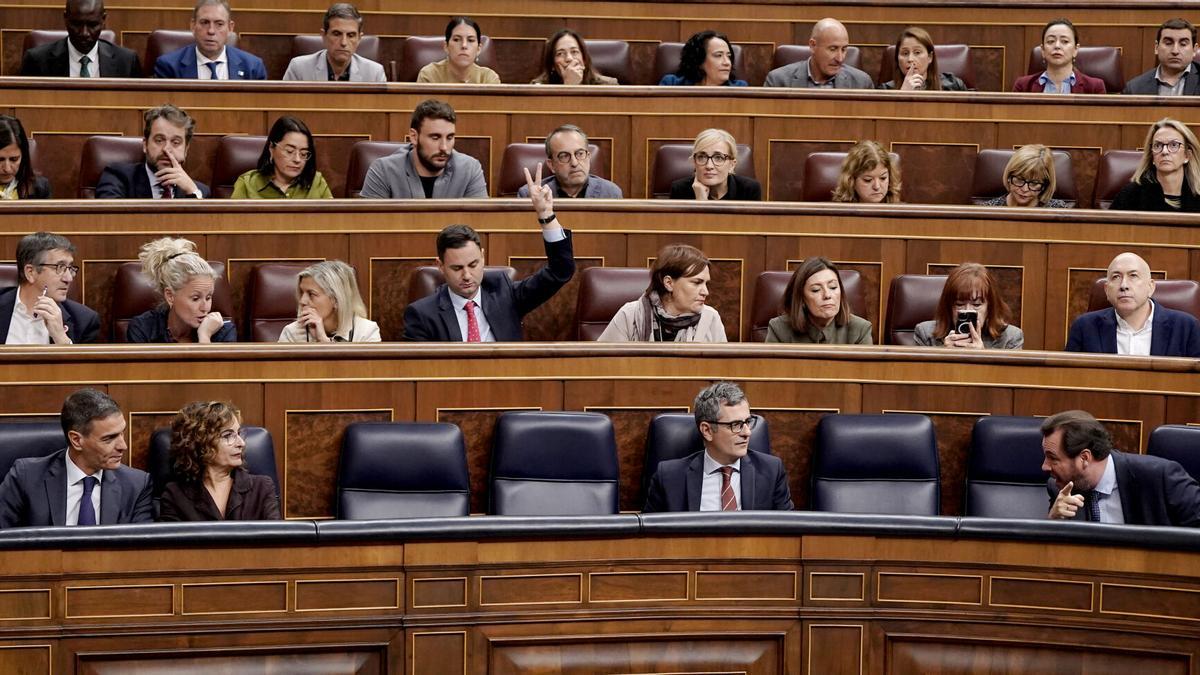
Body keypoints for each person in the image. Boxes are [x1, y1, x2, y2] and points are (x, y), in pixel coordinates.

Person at [402, 163, 574, 341]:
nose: (467, 275)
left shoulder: (505, 296)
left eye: (473, 264)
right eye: (457, 268)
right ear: (441, 266)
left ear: (483, 257)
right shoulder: (422, 315)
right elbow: (418, 368)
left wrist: (546, 215)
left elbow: (560, 271)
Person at [0, 389, 153, 528]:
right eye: (109, 438)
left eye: (122, 433)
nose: (123, 446)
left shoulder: (137, 486)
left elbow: (142, 552)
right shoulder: (26, 477)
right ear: (76, 440)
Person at [643, 382, 793, 512]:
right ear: (707, 430)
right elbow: (651, 538)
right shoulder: (669, 477)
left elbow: (788, 533)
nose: (747, 432)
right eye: (736, 425)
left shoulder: (771, 471)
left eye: (747, 422)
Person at [1042, 410, 1200, 525]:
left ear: (1084, 458)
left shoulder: (1161, 477)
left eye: (1052, 458)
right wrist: (1053, 523)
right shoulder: (1061, 490)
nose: (1044, 466)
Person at [158, 401, 281, 521]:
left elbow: (276, 539)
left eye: (238, 433)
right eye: (228, 435)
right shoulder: (175, 495)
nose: (241, 443)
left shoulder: (262, 488)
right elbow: (171, 541)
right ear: (201, 443)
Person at [1066, 252, 1200, 357]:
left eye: (1133, 276)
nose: (1124, 285)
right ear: (1107, 290)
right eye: (1116, 277)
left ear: (1150, 287)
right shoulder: (1084, 328)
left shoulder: (1187, 328)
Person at [359, 99, 488, 199]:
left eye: (449, 138)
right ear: (414, 137)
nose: (444, 147)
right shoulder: (383, 170)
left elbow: (478, 224)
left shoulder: (470, 169)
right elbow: (370, 227)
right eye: (435, 137)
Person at [599, 244, 726, 342]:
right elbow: (602, 367)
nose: (706, 292)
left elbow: (723, 373)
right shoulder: (629, 315)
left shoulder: (711, 318)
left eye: (706, 283)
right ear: (669, 283)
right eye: (697, 282)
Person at [126, 237, 237, 343]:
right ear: (170, 296)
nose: (205, 308)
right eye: (195, 298)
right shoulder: (143, 328)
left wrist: (204, 336)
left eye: (208, 297)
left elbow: (210, 364)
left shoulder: (224, 331)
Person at [0, 232, 99, 344]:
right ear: (30, 272)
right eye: (60, 267)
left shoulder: (84, 321)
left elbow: (87, 362)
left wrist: (61, 338)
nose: (69, 278)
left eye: (70, 268)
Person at [95, 104, 210, 199]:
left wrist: (193, 194)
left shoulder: (200, 191)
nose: (166, 149)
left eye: (176, 142)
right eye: (159, 140)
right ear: (145, 145)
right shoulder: (118, 178)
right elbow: (111, 221)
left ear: (186, 149)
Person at [914, 262, 1024, 349]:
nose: (967, 310)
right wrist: (944, 355)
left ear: (990, 307)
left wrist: (982, 357)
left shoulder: (1010, 337)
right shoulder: (926, 333)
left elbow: (1010, 377)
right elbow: (916, 376)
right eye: (959, 304)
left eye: (976, 305)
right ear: (948, 306)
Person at [19, 0, 141, 77]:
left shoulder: (127, 61)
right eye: (76, 24)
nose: (84, 33)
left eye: (92, 25)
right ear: (65, 18)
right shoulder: (37, 60)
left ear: (103, 20)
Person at [766, 257, 873, 344]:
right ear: (801, 298)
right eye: (816, 290)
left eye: (833, 287)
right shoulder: (779, 329)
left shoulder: (860, 329)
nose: (827, 295)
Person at [153, 0, 266, 80]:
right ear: (193, 26)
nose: (211, 31)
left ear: (230, 28)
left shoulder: (252, 67)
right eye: (204, 22)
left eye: (219, 24)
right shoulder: (169, 66)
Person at [1110, 118, 1200, 212]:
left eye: (1174, 145)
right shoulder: (1132, 194)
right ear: (1152, 156)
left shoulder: (1197, 196)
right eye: (1157, 145)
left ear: (1187, 155)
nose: (1164, 152)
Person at [231, 116, 332, 199]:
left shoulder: (316, 182)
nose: (297, 159)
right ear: (271, 148)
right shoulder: (247, 184)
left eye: (303, 154)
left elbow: (333, 221)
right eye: (289, 151)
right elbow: (233, 222)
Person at [278, 260, 380, 342]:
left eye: (311, 294)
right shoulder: (292, 332)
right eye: (301, 292)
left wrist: (323, 340)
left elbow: (364, 368)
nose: (302, 301)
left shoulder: (366, 332)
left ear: (336, 299)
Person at [282, 3, 386, 82]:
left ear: (359, 38)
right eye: (337, 34)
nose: (344, 42)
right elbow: (285, 108)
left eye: (351, 35)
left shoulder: (375, 73)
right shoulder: (299, 68)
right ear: (324, 36)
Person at [517, 124, 622, 199]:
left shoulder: (611, 193)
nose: (574, 163)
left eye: (580, 154)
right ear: (551, 165)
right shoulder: (528, 195)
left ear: (588, 157)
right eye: (564, 156)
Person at [764, 18, 873, 88]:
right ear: (813, 45)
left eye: (844, 49)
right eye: (833, 49)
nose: (840, 58)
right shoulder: (778, 81)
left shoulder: (861, 83)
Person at [1012, 19, 1105, 94]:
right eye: (1051, 41)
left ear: (1075, 49)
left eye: (1064, 41)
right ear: (1043, 50)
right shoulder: (1023, 86)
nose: (1057, 46)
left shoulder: (1094, 88)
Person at [669, 128, 760, 201]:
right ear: (694, 162)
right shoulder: (679, 190)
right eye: (701, 157)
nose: (709, 166)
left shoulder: (749, 189)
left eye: (718, 158)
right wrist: (700, 201)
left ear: (732, 165)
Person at [1122, 19, 1200, 96]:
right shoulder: (1134, 89)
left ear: (1194, 50)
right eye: (1168, 43)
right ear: (1156, 47)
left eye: (1183, 44)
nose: (1175, 51)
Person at [979, 144, 1071, 208]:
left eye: (1034, 183)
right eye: (1019, 180)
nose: (1025, 189)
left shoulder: (1058, 211)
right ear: (1009, 177)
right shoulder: (989, 210)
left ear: (1045, 185)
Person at [878, 27, 968, 91]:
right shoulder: (885, 90)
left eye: (917, 52)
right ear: (897, 59)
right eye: (905, 53)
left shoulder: (953, 85)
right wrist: (902, 95)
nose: (910, 59)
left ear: (930, 57)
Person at [416, 17, 500, 84]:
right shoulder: (429, 75)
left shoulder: (488, 78)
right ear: (446, 46)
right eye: (456, 40)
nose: (464, 45)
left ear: (478, 49)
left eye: (470, 40)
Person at [658, 30, 746, 86]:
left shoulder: (740, 88)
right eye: (718, 55)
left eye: (729, 56)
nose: (727, 62)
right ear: (699, 60)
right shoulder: (671, 84)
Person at [531, 29, 616, 85]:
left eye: (574, 52)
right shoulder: (539, 87)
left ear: (584, 59)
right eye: (560, 53)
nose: (569, 58)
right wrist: (569, 86)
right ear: (552, 64)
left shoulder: (608, 85)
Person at [831, 140, 901, 203]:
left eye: (883, 178)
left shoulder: (903, 213)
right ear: (851, 181)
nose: (877, 186)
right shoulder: (837, 215)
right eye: (868, 180)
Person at [0, 116, 51, 199]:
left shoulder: (40, 188)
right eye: (0, 160)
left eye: (14, 159)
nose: (7, 169)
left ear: (23, 157)